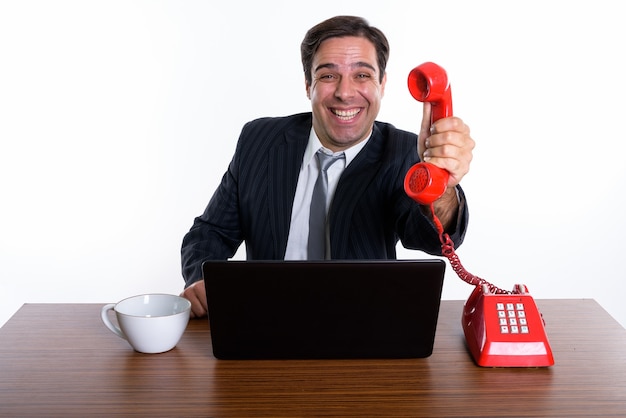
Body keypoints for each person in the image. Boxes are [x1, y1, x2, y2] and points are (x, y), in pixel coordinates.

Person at [180, 15, 475, 318]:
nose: (345, 93)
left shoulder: (403, 151)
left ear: (382, 85)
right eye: (328, 76)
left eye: (362, 75)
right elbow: (211, 232)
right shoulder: (258, 141)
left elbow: (430, 240)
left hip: (362, 326)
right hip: (265, 321)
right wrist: (202, 280)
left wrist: (442, 183)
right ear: (308, 84)